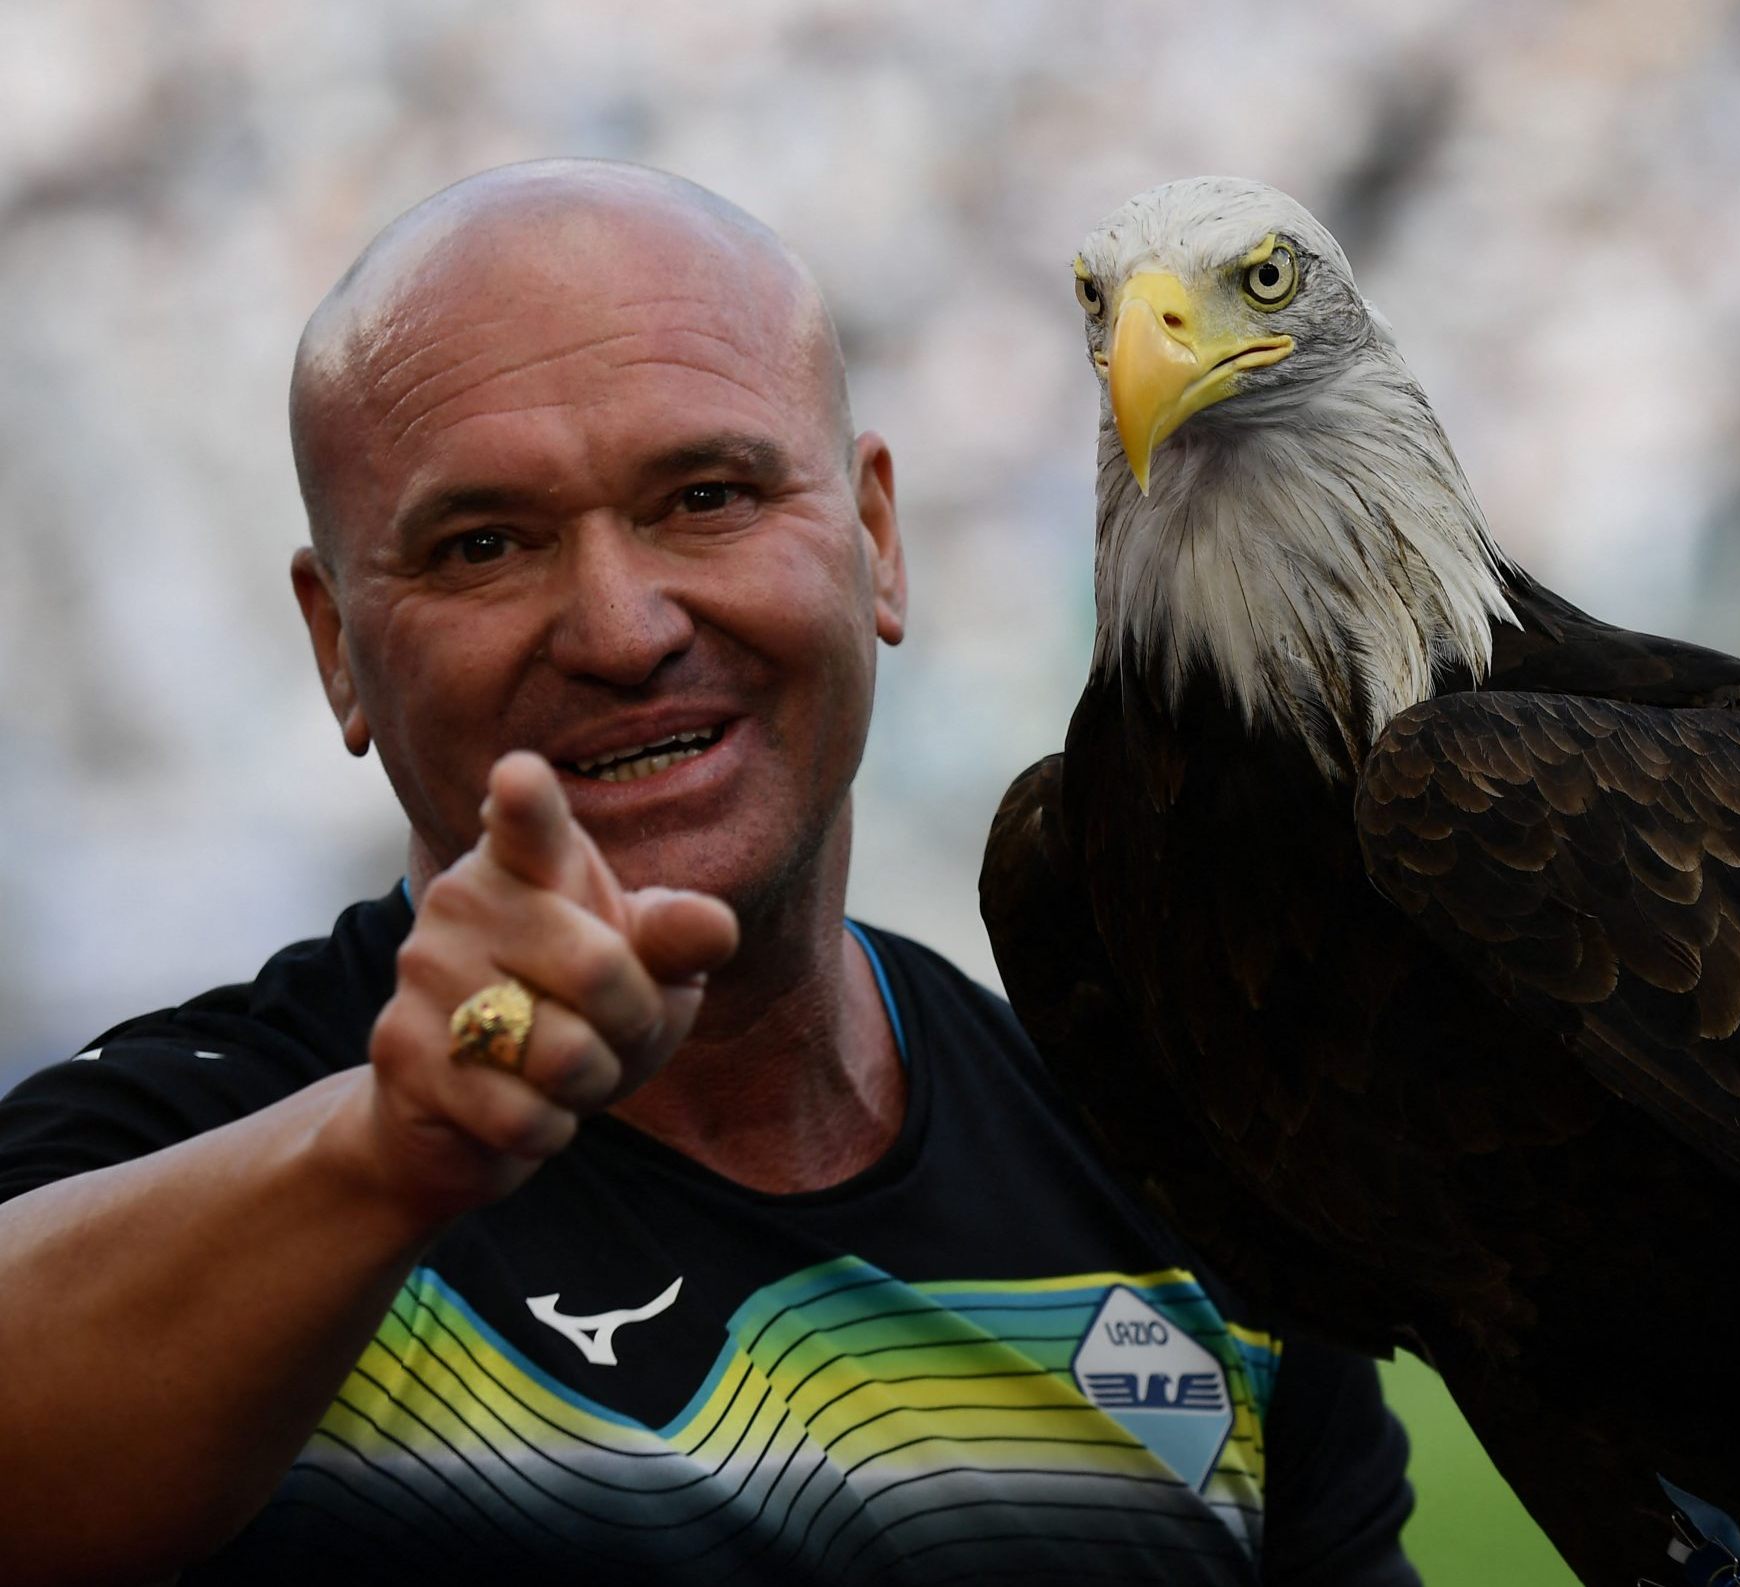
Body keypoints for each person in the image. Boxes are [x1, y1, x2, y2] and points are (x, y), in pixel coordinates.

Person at [0, 160, 1417, 1585]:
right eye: (483, 544)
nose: (621, 629)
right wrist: (392, 1151)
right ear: (336, 647)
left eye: (707, 497)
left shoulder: (1193, 1189)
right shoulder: (175, 1153)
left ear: (876, 540)